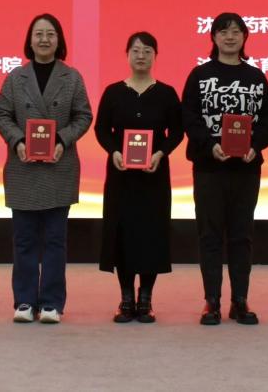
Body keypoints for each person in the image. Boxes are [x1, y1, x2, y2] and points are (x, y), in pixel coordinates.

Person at [0, 13, 93, 324]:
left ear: (59, 40)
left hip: (58, 167)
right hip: (23, 167)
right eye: (38, 34)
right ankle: (24, 301)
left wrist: (63, 139)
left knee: (54, 240)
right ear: (30, 40)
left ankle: (51, 302)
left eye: (50, 34)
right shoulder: (15, 77)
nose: (44, 39)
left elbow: (84, 116)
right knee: (24, 240)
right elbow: (2, 115)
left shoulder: (72, 77)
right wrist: (18, 141)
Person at [181, 12, 268, 326]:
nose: (230, 36)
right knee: (209, 234)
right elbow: (190, 117)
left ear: (245, 36)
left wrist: (255, 146)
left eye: (236, 31)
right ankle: (211, 301)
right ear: (214, 37)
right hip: (209, 168)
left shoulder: (256, 77)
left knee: (241, 235)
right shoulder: (199, 75)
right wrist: (210, 145)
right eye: (223, 31)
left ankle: (240, 300)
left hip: (246, 168)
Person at [94, 32, 184, 324]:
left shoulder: (167, 93)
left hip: (153, 176)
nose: (141, 55)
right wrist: (113, 151)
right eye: (135, 50)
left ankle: (145, 298)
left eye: (147, 51)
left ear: (155, 56)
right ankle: (125, 298)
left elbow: (178, 132)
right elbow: (101, 129)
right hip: (121, 175)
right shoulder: (113, 92)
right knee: (122, 234)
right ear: (127, 55)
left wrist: (161, 153)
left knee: (151, 234)